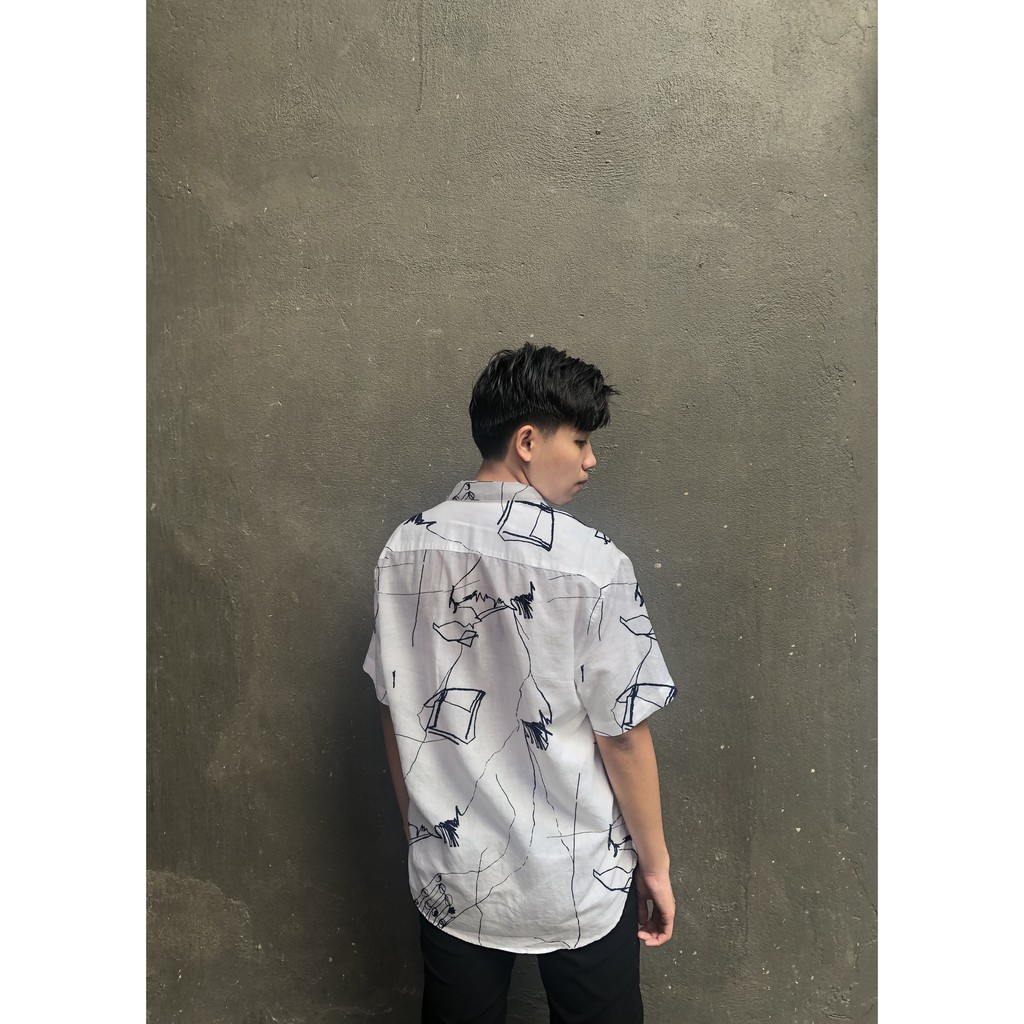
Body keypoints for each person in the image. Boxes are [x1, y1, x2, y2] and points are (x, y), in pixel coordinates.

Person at [363, 343, 678, 1024]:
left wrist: (421, 828)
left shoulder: (404, 549)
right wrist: (655, 865)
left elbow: (395, 707)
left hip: (453, 867)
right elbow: (622, 735)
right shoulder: (594, 564)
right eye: (581, 441)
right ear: (528, 442)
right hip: (580, 875)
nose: (591, 460)